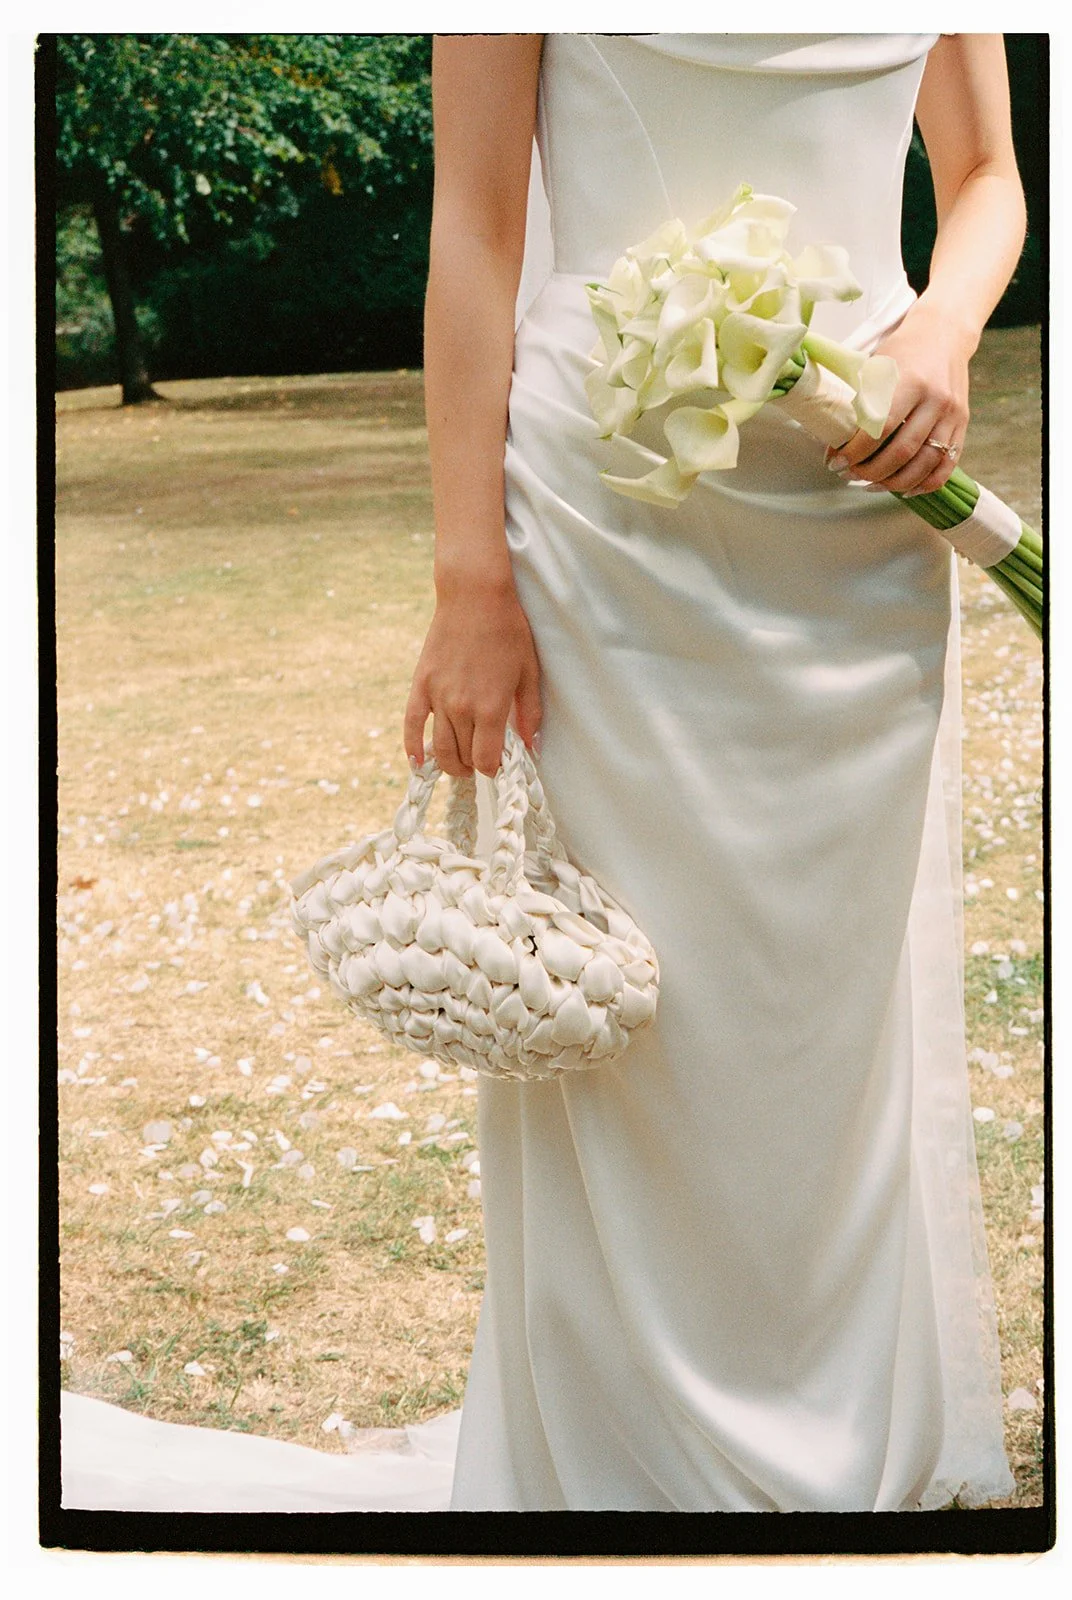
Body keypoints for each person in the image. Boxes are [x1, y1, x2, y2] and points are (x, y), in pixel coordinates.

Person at [403, 33, 1028, 1513]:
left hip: (855, 508)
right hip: (612, 517)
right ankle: (619, 1474)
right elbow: (477, 229)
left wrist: (940, 330)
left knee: (826, 1010)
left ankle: (839, 1464)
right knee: (626, 1009)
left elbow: (989, 177)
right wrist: (467, 581)